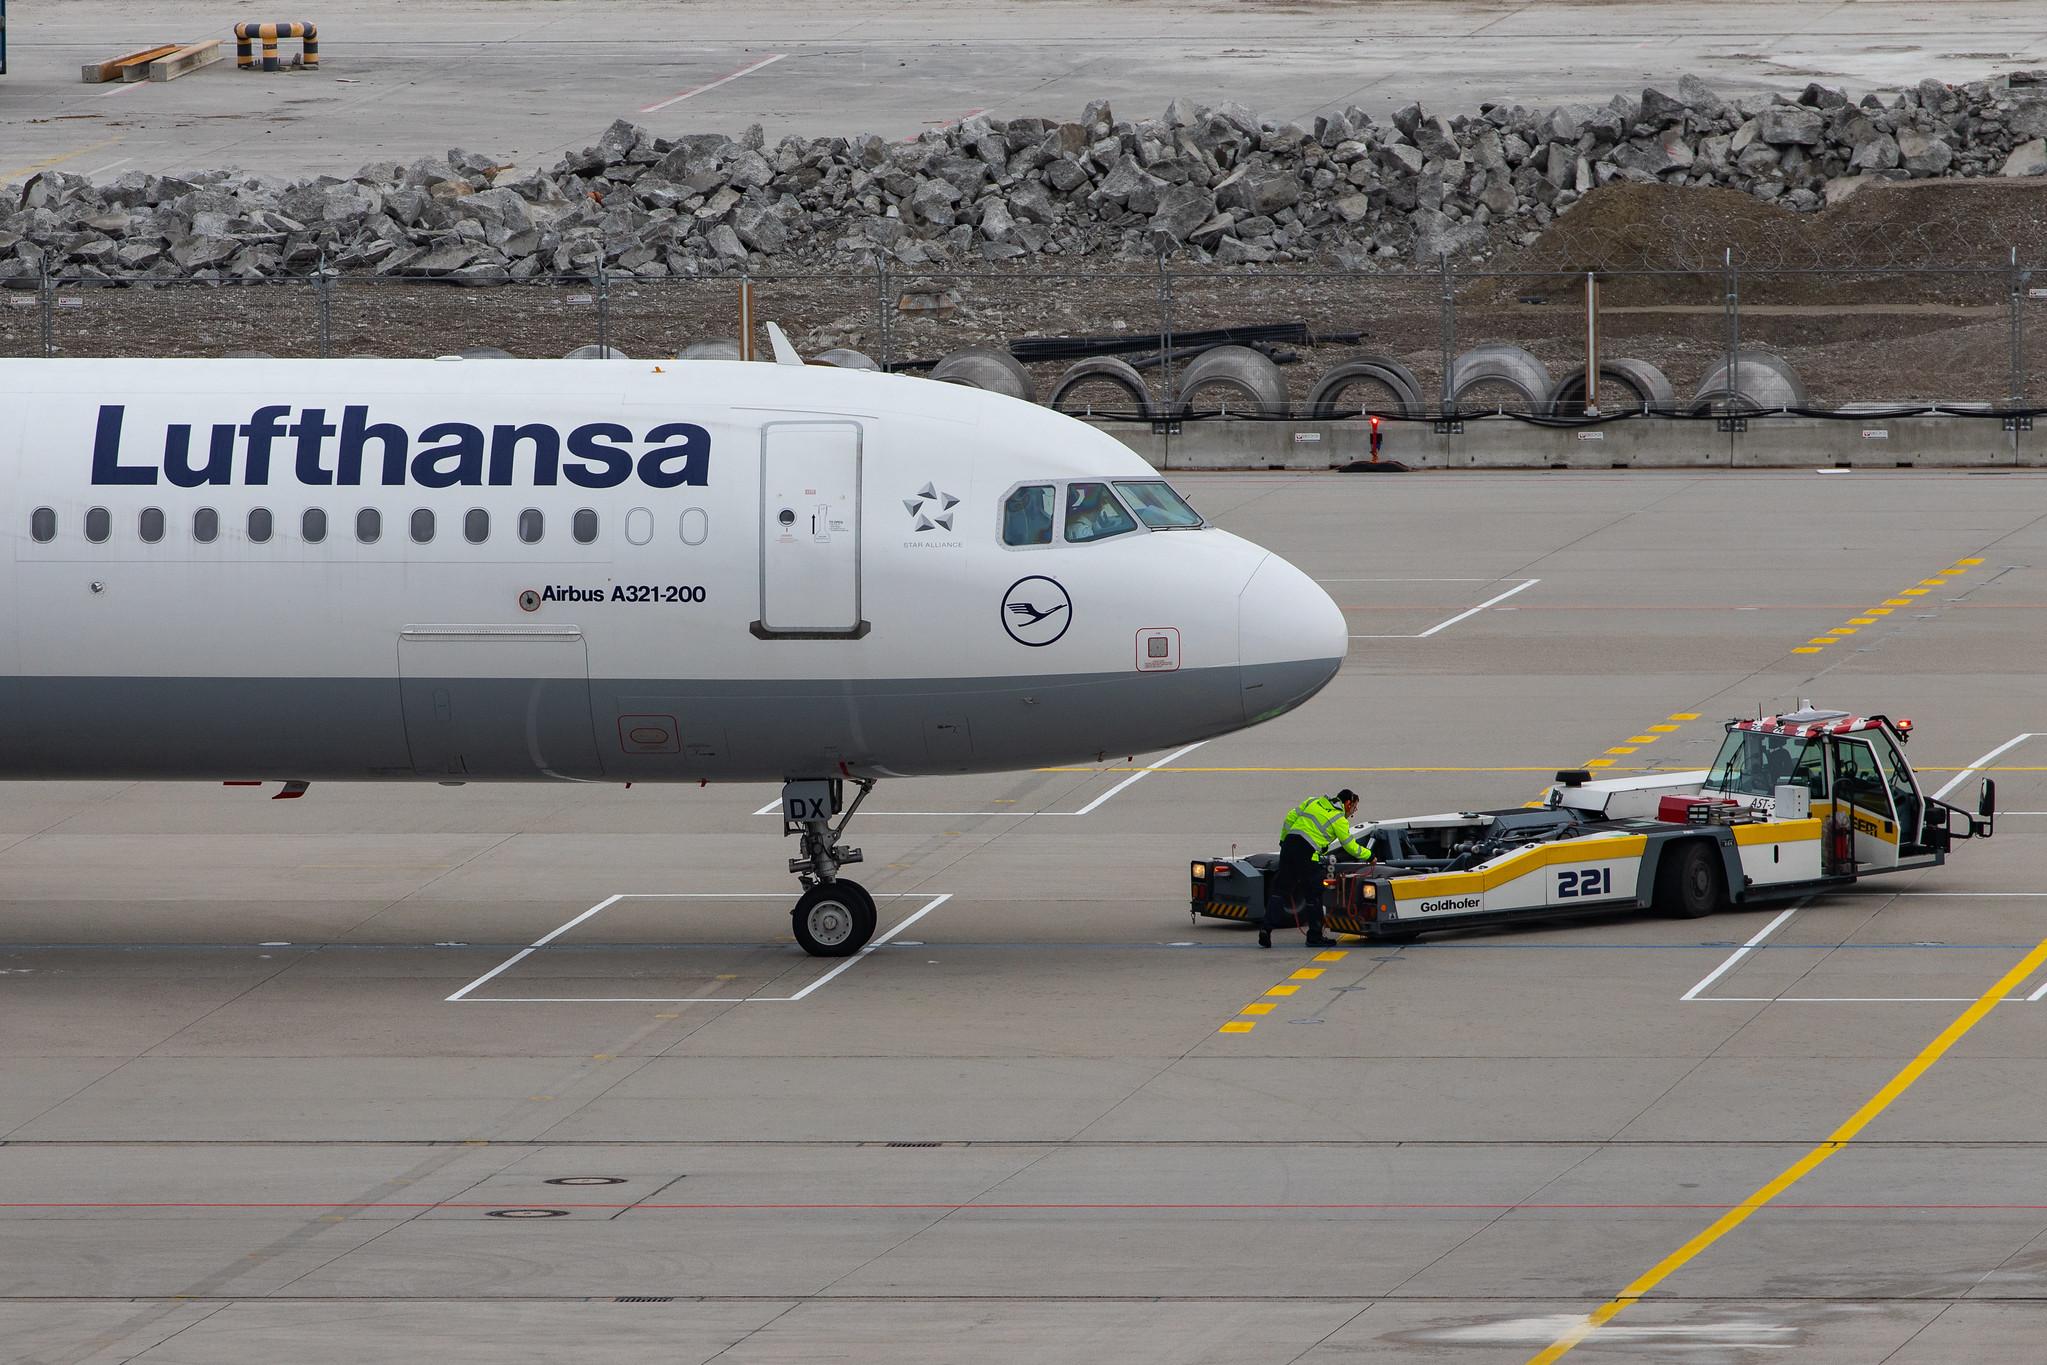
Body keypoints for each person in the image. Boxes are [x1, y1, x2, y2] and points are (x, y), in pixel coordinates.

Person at [1261, 788, 1370, 949]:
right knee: (1315, 893)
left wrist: (1284, 841)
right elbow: (1350, 846)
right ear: (1347, 803)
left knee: (1280, 891)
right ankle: (1314, 936)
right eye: (1353, 808)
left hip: (1289, 846)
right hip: (1306, 852)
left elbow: (1290, 817)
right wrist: (1370, 855)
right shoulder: (1338, 818)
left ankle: (1265, 929)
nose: (1353, 812)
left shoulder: (1313, 801)